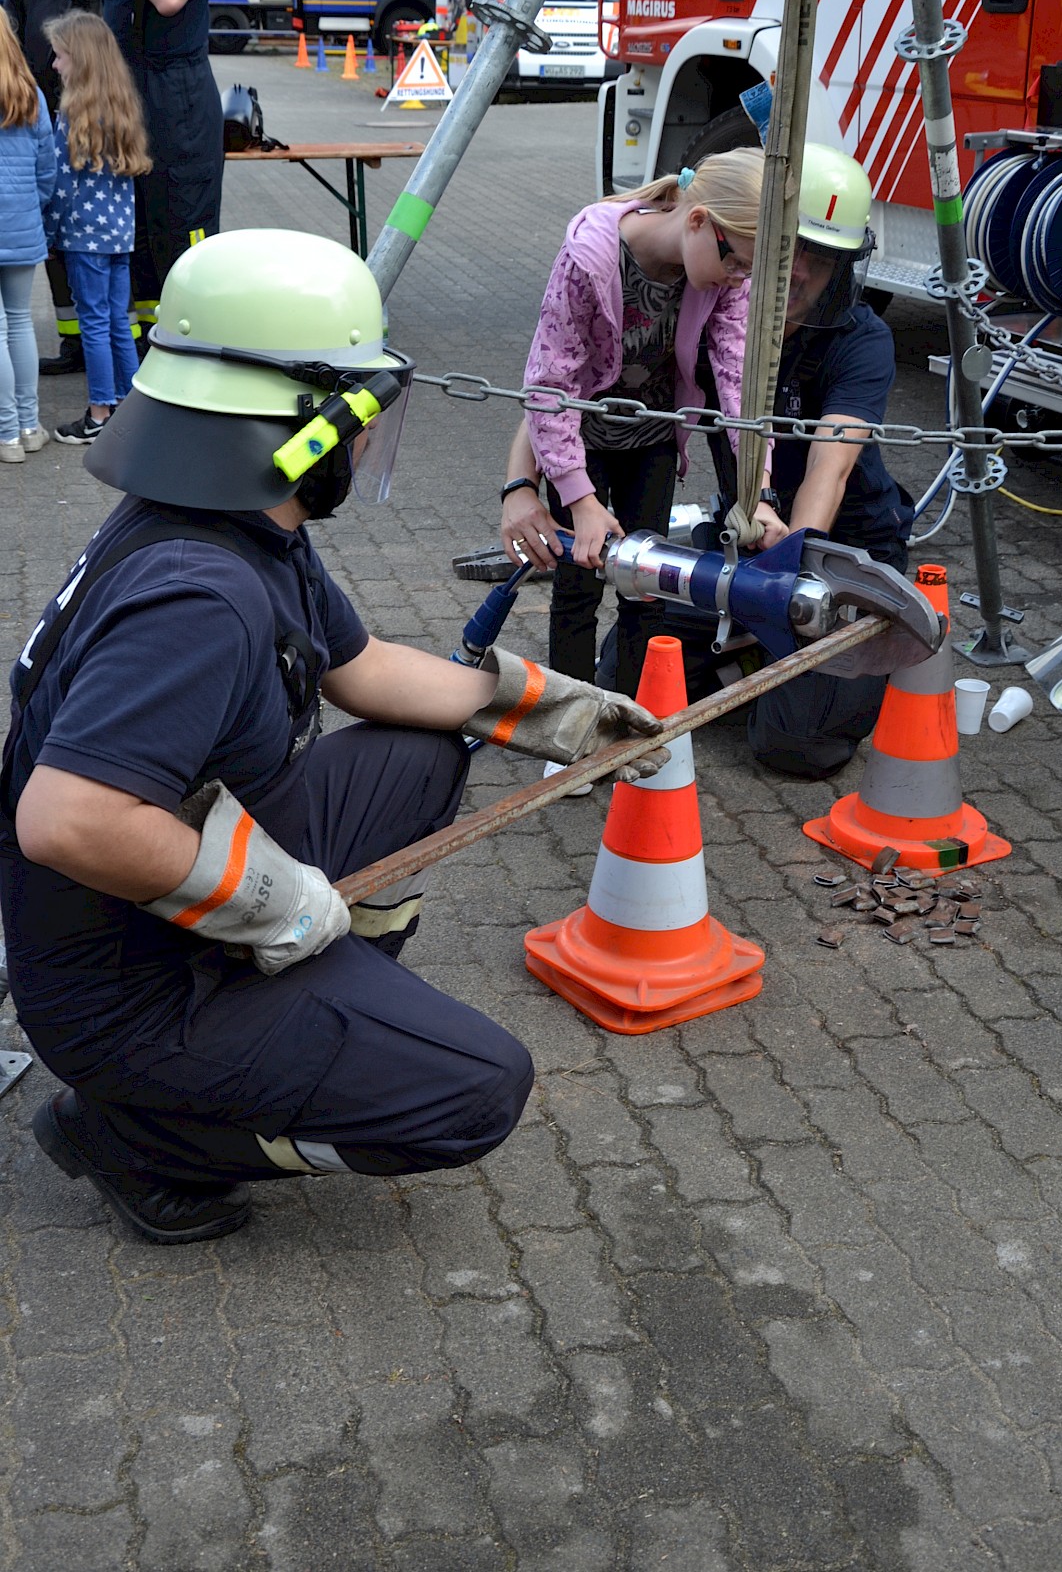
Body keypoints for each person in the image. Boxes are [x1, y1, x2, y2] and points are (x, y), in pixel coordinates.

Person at [0, 229, 665, 1246]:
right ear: (310, 426)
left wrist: (555, 716)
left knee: (423, 748)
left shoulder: (236, 522)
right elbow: (67, 819)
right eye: (361, 418)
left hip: (161, 908)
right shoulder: (203, 593)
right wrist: (280, 901)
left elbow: (363, 671)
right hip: (127, 991)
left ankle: (313, 1006)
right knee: (478, 1090)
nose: (364, 445)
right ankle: (130, 1134)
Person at [499, 148, 764, 734]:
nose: (738, 279)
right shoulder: (591, 256)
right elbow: (549, 382)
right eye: (737, 264)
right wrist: (580, 498)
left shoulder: (722, 274)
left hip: (651, 439)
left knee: (646, 588)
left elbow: (736, 373)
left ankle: (623, 722)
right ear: (699, 222)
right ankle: (568, 729)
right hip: (583, 442)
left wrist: (758, 486)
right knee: (578, 587)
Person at [742, 143, 915, 777]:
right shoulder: (721, 317)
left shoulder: (864, 340)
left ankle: (818, 662)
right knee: (639, 658)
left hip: (841, 546)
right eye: (787, 249)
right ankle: (757, 658)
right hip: (750, 526)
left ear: (843, 267)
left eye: (820, 257)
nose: (798, 273)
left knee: (794, 747)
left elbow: (831, 467)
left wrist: (795, 567)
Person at [63, 0, 223, 337]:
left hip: (178, 104)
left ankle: (199, 352)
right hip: (126, 102)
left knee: (182, 242)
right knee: (134, 249)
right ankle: (144, 376)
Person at [5, 0, 104, 379]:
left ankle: (102, 343)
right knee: (52, 243)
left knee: (91, 241)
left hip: (86, 129)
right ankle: (73, 344)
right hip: (39, 131)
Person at [45, 10, 151, 444]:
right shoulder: (122, 110)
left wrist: (48, 232)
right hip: (117, 236)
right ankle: (138, 406)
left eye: (60, 56)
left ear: (81, 60)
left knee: (92, 323)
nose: (54, 65)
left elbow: (60, 185)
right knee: (117, 322)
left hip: (82, 238)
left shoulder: (74, 116)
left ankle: (99, 412)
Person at [0, 8, 57, 464]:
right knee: (18, 323)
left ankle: (5, 436)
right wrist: (26, 208)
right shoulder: (30, 94)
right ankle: (29, 424)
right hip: (21, 225)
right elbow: (47, 170)